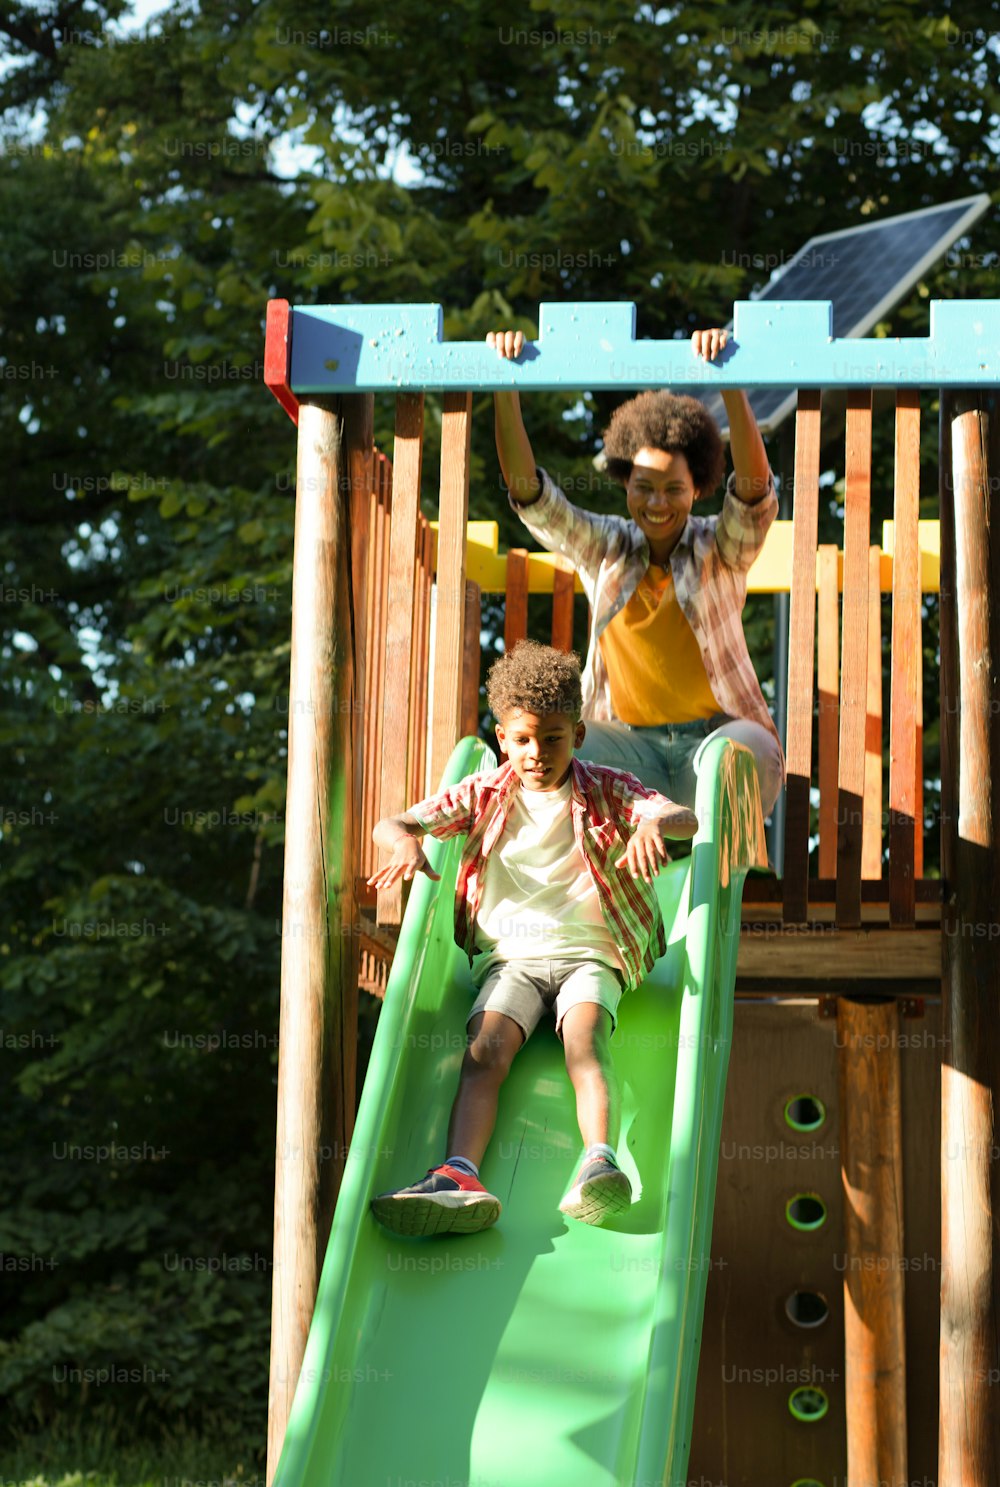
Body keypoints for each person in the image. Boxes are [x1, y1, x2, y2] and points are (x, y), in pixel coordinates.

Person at [367, 640, 697, 1237]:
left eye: (553, 739)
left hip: (589, 953)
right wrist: (405, 842)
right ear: (501, 738)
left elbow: (683, 816)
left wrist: (652, 821)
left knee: (585, 1039)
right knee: (484, 1051)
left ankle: (599, 1161)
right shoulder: (483, 793)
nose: (537, 754)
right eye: (523, 739)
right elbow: (392, 822)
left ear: (578, 735)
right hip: (512, 959)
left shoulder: (606, 788)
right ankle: (459, 1176)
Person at [487, 325, 784, 823]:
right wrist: (503, 388)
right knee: (555, 745)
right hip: (630, 757)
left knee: (742, 750)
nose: (657, 502)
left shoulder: (719, 549)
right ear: (626, 483)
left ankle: (714, 874)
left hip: (713, 746)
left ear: (698, 489)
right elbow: (530, 494)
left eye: (674, 488)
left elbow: (754, 493)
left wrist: (732, 383)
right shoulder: (606, 548)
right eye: (644, 486)